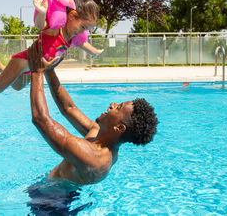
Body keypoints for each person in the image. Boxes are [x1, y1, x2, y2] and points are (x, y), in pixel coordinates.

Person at [27, 41, 159, 185]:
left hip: (51, 202)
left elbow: (40, 120)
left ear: (119, 128)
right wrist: (49, 71)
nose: (112, 104)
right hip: (52, 187)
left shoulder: (91, 156)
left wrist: (36, 72)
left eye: (118, 107)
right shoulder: (101, 136)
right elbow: (69, 108)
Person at [0, 0, 103, 93]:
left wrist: (95, 52)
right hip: (23, 62)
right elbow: (41, 25)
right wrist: (42, 13)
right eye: (83, 27)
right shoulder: (56, 30)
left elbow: (83, 44)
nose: (82, 32)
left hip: (34, 67)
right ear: (73, 16)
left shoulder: (72, 36)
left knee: (17, 87)